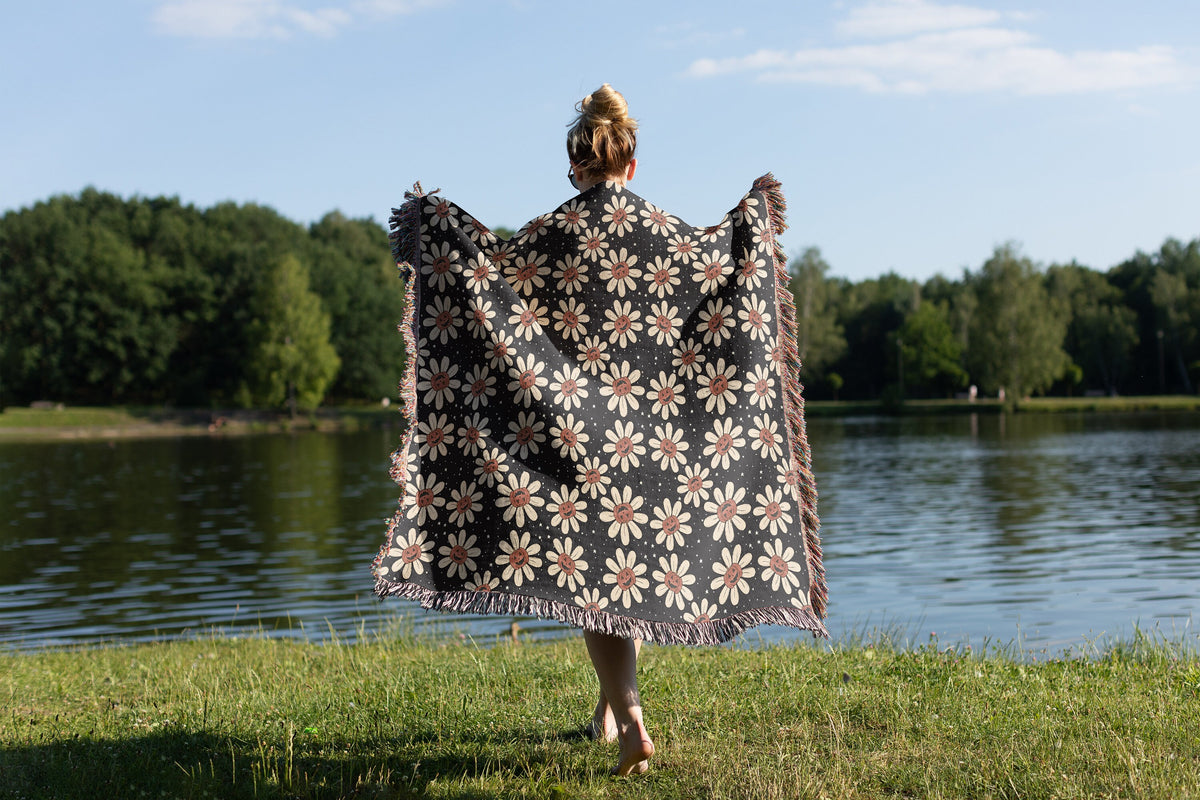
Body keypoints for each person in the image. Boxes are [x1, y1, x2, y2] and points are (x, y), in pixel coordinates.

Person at [373, 84, 826, 777]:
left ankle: (630, 721)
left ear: (576, 167)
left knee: (601, 587)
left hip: (578, 449)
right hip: (658, 449)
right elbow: (718, 281)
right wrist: (752, 221)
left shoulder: (549, 237)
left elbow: (489, 285)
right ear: (632, 165)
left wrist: (439, 228)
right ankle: (610, 710)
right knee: (626, 580)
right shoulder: (670, 237)